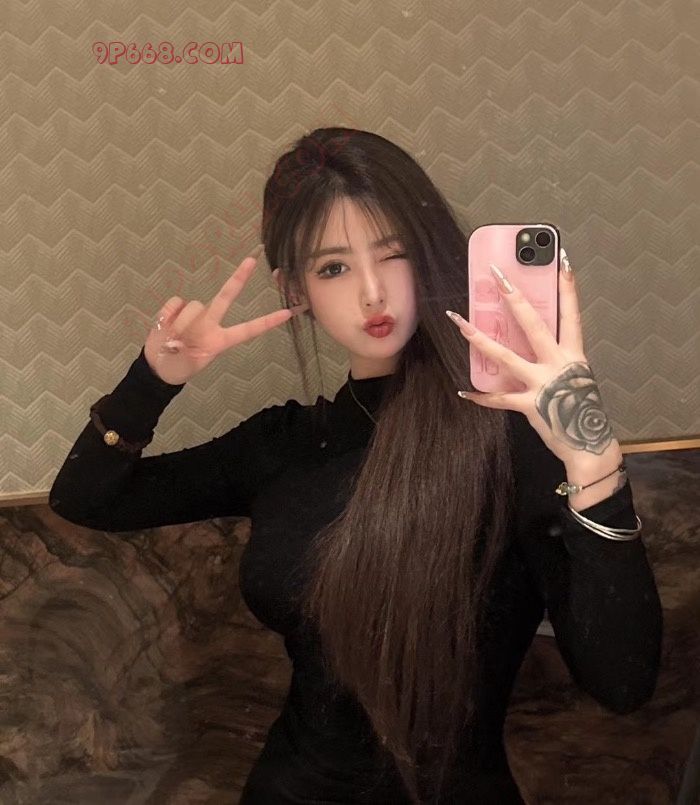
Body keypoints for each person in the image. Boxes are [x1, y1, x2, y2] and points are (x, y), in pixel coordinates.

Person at [49, 128, 663, 804]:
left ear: (429, 257)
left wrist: (592, 455)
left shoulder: (512, 439)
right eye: (334, 268)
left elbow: (623, 681)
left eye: (394, 255)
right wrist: (152, 380)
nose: (373, 293)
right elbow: (86, 499)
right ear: (295, 289)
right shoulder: (283, 443)